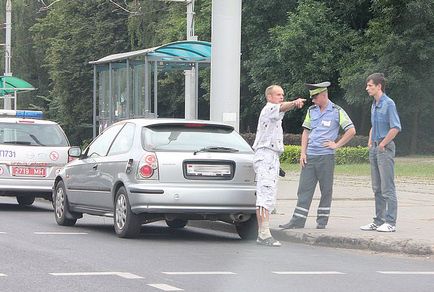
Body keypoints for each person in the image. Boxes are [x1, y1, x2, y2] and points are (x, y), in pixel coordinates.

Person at [279, 81, 355, 230]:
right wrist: (303, 152)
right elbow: (306, 132)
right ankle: (298, 220)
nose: (313, 100)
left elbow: (351, 130)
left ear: (324, 95)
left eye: (315, 97)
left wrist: (336, 145)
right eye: (312, 98)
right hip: (310, 156)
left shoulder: (336, 111)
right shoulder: (311, 111)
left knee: (326, 189)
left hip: (326, 157)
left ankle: (322, 221)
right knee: (304, 189)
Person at [253, 85, 305, 246]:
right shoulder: (269, 109)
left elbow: (281, 108)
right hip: (265, 154)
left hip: (272, 156)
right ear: (269, 96)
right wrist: (295, 103)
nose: (281, 97)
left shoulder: (275, 113)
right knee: (264, 194)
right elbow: (282, 107)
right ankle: (263, 233)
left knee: (269, 195)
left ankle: (264, 231)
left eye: (282, 94)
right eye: (278, 94)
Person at [360, 73, 401, 232]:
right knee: (377, 187)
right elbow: (373, 125)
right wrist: (370, 142)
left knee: (387, 187)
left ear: (379, 86)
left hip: (385, 148)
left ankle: (390, 222)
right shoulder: (374, 104)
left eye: (370, 85)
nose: (367, 88)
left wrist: (383, 144)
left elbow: (395, 127)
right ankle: (378, 221)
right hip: (375, 148)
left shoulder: (388, 103)